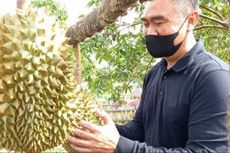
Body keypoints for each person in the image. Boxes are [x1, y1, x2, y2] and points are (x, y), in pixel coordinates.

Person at [68, 0, 229, 152]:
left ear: (191, 20)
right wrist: (95, 130)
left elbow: (205, 150)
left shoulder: (213, 77)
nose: (150, 32)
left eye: (159, 23)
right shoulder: (155, 73)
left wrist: (119, 146)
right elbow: (140, 129)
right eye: (145, 24)